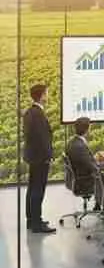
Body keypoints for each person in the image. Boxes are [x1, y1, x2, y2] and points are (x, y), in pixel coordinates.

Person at [66, 117, 104, 205]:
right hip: (85, 182)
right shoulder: (80, 147)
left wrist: (92, 159)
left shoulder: (72, 142)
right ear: (87, 129)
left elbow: (86, 162)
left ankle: (99, 205)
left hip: (80, 177)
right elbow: (95, 168)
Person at [23, 83, 55, 233]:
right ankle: (37, 223)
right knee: (38, 190)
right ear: (42, 96)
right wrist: (49, 156)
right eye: (46, 93)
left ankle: (31, 219)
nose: (47, 96)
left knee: (32, 189)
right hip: (40, 158)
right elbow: (42, 139)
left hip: (33, 157)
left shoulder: (30, 112)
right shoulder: (38, 114)